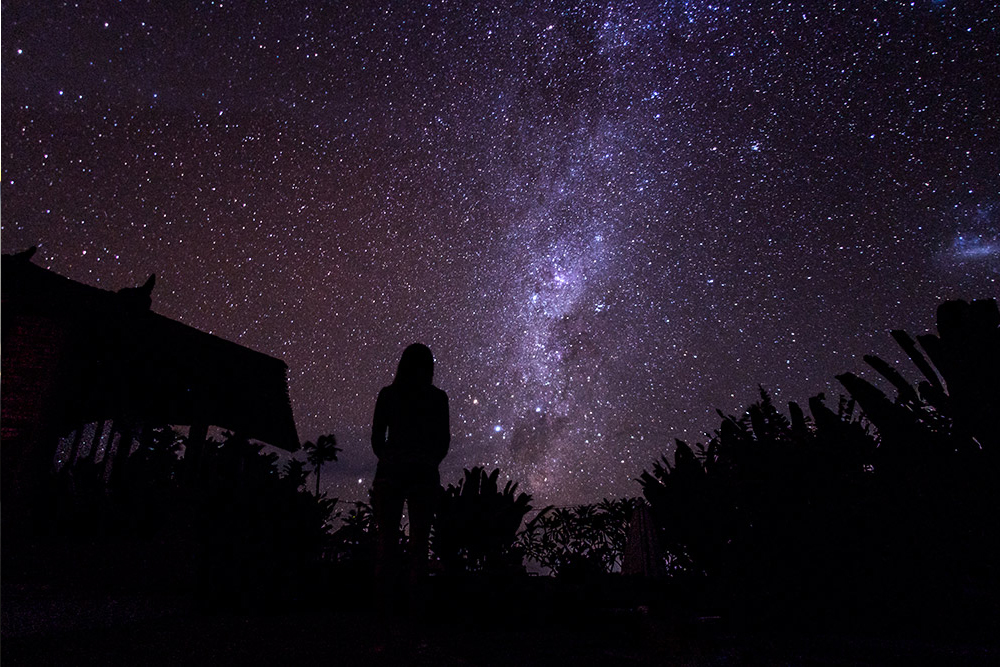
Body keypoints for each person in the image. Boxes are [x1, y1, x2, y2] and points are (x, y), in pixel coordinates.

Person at [371, 343, 450, 614]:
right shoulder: (437, 398)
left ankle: (385, 614)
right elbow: (443, 441)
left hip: (391, 472)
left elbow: (376, 438)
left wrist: (390, 458)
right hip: (422, 475)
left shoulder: (389, 395)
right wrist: (427, 461)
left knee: (387, 545)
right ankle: (414, 616)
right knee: (419, 548)